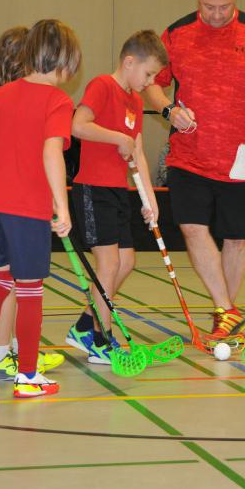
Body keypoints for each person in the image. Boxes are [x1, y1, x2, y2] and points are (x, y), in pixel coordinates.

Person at [143, 0, 245, 343]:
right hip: (188, 155)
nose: (217, 14)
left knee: (237, 238)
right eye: (209, 7)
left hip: (242, 158)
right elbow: (152, 83)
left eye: (224, 7)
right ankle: (227, 309)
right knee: (192, 226)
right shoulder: (177, 33)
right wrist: (168, 110)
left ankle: (225, 313)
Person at [0, 19, 81, 398]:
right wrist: (62, 207)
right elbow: (51, 152)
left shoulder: (1, 95)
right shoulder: (58, 102)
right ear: (65, 61)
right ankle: (28, 376)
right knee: (30, 291)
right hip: (28, 211)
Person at [66, 30, 166, 363]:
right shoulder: (102, 86)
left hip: (118, 191)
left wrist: (149, 198)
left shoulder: (135, 101)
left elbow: (137, 150)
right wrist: (116, 138)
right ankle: (101, 339)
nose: (150, 82)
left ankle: (85, 325)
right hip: (92, 189)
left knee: (126, 262)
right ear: (129, 62)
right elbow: (78, 125)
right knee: (108, 264)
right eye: (148, 74)